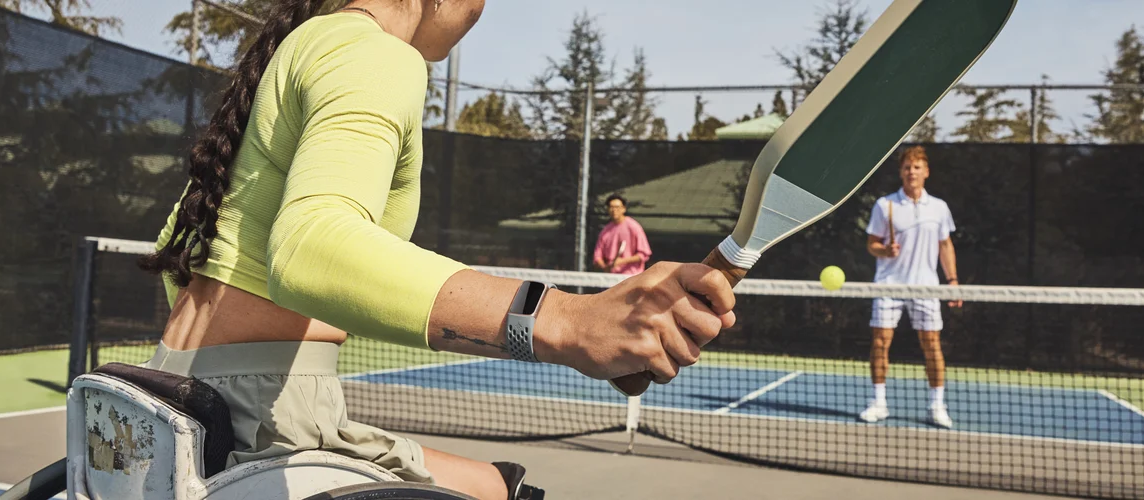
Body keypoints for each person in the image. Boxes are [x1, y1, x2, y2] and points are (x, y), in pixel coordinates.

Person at [137, 2, 736, 499]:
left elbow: (183, 245)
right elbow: (311, 247)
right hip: (255, 423)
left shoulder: (307, 45)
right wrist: (568, 322)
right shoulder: (377, 54)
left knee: (504, 487)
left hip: (168, 393)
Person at [859, 145, 962, 429]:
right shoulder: (885, 205)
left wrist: (952, 281)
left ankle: (937, 406)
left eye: (917, 167)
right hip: (889, 286)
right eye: (907, 167)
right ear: (901, 172)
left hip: (926, 287)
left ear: (926, 172)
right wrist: (885, 251)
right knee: (880, 343)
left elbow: (945, 245)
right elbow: (872, 245)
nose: (911, 172)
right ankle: (878, 403)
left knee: (932, 345)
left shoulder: (939, 208)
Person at [593, 194, 652, 275]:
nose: (614, 210)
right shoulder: (605, 231)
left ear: (623, 209)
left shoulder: (634, 227)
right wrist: (605, 267)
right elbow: (597, 257)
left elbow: (643, 255)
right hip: (611, 278)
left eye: (617, 207)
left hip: (632, 277)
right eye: (611, 207)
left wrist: (622, 261)